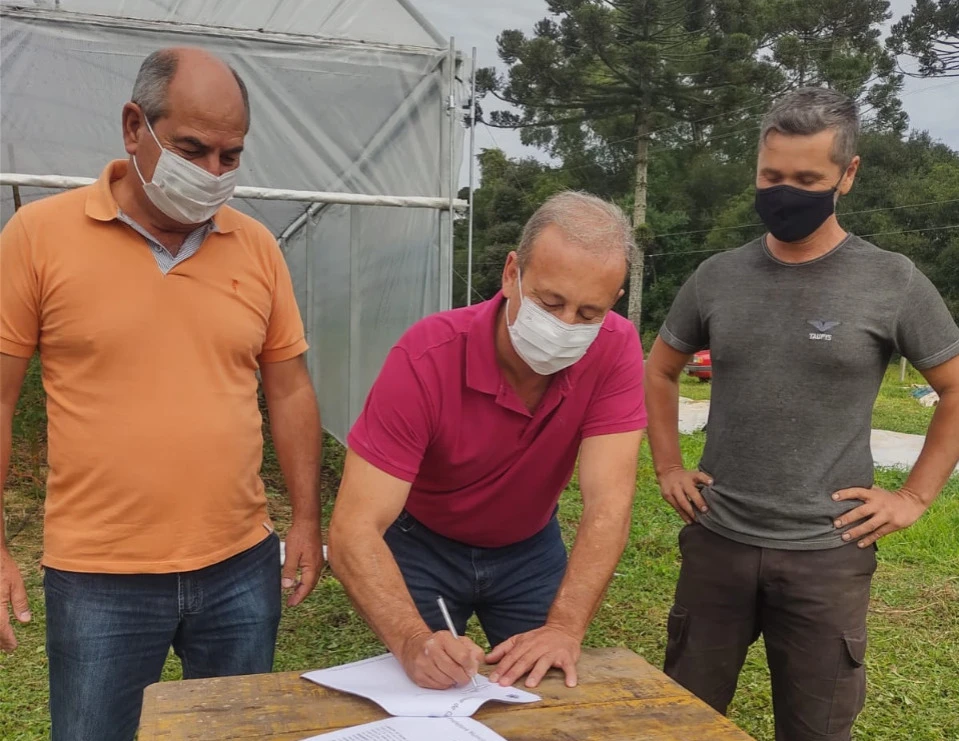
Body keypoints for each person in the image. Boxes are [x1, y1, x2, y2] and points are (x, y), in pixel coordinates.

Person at [0, 48, 324, 741]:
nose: (212, 172)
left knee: (233, 733)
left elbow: (290, 389)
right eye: (192, 149)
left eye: (230, 156)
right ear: (133, 127)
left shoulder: (256, 247)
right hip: (98, 575)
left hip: (240, 564)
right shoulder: (38, 236)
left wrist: (305, 519)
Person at [645, 87, 959, 741]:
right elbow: (660, 368)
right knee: (682, 721)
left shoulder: (891, 280)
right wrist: (668, 465)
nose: (784, 192)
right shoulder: (717, 277)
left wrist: (913, 497)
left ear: (848, 174)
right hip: (718, 542)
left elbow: (955, 388)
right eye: (771, 176)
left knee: (816, 729)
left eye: (807, 179)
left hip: (828, 555)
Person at [328, 191, 646, 691]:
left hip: (529, 548)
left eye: (589, 313)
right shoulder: (426, 356)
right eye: (550, 302)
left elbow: (609, 504)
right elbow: (355, 526)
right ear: (511, 273)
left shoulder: (616, 347)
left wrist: (564, 627)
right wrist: (411, 639)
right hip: (423, 543)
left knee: (547, 689)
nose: (564, 327)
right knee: (422, 683)